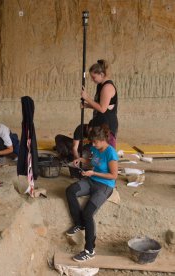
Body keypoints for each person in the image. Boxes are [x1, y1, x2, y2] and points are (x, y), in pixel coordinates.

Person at [65, 125, 118, 262]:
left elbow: (113, 175)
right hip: (92, 180)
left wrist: (93, 172)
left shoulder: (111, 153)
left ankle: (89, 250)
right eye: (92, 142)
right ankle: (79, 223)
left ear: (102, 139)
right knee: (70, 190)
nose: (92, 144)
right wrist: (82, 160)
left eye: (95, 142)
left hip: (105, 186)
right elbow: (94, 162)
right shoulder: (96, 148)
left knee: (88, 213)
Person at [81, 59, 118, 148]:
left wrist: (87, 98)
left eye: (94, 77)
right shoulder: (100, 85)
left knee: (104, 155)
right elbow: (101, 105)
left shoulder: (107, 87)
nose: (93, 80)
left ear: (101, 75)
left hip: (107, 127)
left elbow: (102, 109)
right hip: (99, 123)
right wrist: (87, 105)